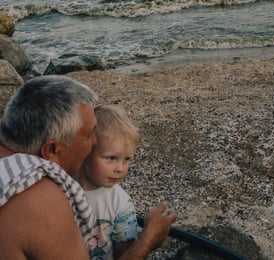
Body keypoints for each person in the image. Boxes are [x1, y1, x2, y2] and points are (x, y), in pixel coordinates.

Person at [0, 75, 176, 260]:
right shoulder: (40, 196)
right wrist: (148, 239)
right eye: (89, 134)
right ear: (53, 149)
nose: (94, 142)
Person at [79, 105, 143, 259]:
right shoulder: (59, 190)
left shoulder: (121, 202)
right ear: (86, 151)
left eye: (127, 159)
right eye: (111, 158)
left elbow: (124, 252)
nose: (120, 168)